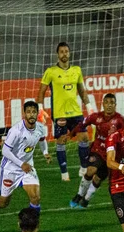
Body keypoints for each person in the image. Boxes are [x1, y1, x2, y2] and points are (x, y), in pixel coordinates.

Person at [0, 101, 51, 228]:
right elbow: (5, 151)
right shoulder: (16, 131)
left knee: (35, 198)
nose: (31, 115)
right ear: (24, 114)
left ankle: (33, 229)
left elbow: (42, 140)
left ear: (37, 113)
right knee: (3, 203)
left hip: (27, 168)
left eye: (34, 112)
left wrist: (46, 153)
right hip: (10, 168)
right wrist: (21, 164)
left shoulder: (40, 128)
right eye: (28, 112)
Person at [36, 41, 95, 182]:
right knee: (61, 141)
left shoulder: (77, 70)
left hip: (76, 112)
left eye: (66, 51)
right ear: (57, 54)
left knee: (84, 137)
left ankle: (83, 168)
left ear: (69, 53)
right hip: (60, 113)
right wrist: (40, 109)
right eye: (61, 51)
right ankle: (64, 173)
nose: (64, 54)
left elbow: (81, 90)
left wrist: (90, 108)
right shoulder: (50, 72)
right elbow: (41, 91)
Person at [69, 93, 124, 209]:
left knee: (99, 178)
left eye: (112, 103)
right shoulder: (96, 117)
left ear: (115, 105)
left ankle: (86, 199)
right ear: (103, 104)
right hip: (97, 150)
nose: (109, 105)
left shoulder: (119, 120)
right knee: (90, 170)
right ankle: (79, 195)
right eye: (107, 102)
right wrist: (71, 133)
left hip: (110, 154)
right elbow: (83, 124)